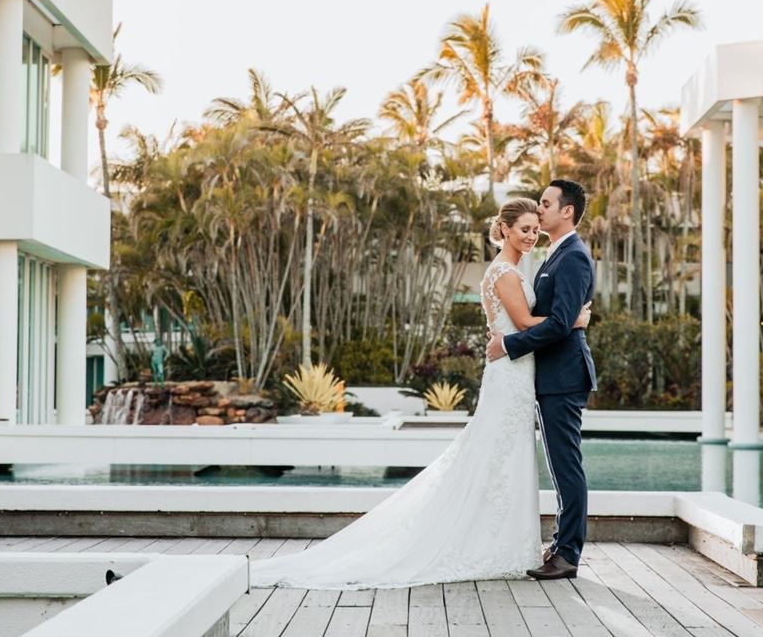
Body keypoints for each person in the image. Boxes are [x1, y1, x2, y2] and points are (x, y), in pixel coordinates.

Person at [250, 197, 590, 590]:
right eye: (525, 229)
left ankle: (501, 541)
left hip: (514, 375)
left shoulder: (510, 269)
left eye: (535, 228)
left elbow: (518, 325)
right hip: (510, 376)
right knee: (497, 456)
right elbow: (527, 321)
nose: (532, 236)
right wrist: (574, 319)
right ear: (506, 229)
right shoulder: (505, 273)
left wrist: (521, 334)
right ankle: (492, 543)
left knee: (501, 459)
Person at [486, 178, 596, 581]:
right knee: (560, 464)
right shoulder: (555, 255)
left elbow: (559, 325)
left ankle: (567, 554)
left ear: (566, 211)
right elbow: (561, 319)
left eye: (547, 203)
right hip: (550, 376)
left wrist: (510, 344)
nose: (541, 208)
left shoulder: (573, 257)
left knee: (566, 467)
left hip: (564, 376)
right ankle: (561, 543)